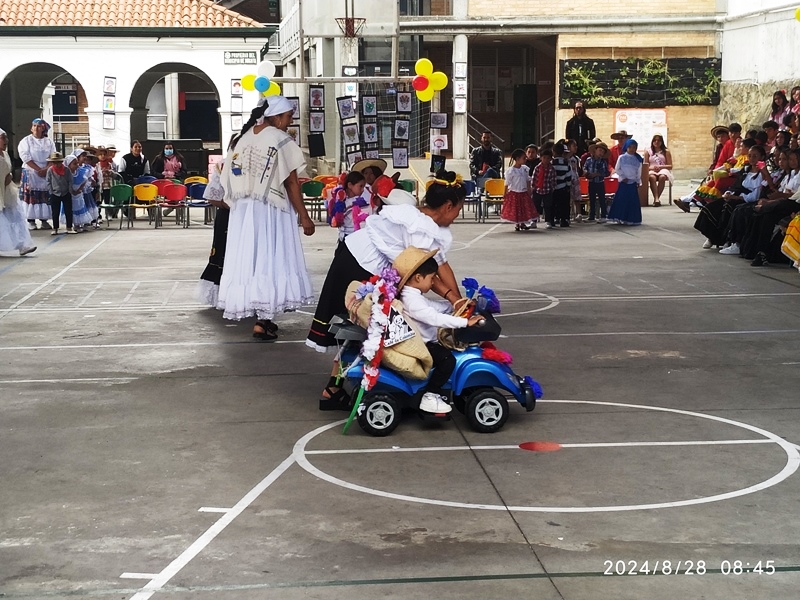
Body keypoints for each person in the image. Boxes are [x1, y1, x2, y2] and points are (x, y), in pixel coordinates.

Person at [307, 170, 466, 411]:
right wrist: (455, 301)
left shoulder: (420, 220)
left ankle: (335, 386)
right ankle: (337, 387)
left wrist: (458, 300)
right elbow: (425, 274)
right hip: (359, 266)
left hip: (357, 260)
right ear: (447, 205)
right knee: (357, 329)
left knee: (361, 329)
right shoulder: (419, 227)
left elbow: (441, 267)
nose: (456, 217)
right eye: (458, 209)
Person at [215, 96, 315, 340]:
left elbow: (226, 175)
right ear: (277, 116)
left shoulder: (242, 138)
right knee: (271, 258)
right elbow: (291, 182)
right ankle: (263, 318)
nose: (290, 122)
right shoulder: (280, 140)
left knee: (250, 259)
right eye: (289, 117)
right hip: (271, 209)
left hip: (244, 212)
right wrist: (304, 215)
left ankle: (261, 316)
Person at [393, 247, 483, 414]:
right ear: (419, 277)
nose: (434, 282)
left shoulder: (413, 295)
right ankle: (431, 394)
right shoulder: (412, 301)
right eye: (431, 277)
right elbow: (434, 318)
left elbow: (433, 308)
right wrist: (465, 322)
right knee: (447, 360)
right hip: (425, 344)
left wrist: (455, 305)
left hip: (427, 339)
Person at [699, 145, 770, 251]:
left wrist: (736, 197)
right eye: (750, 156)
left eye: (755, 156)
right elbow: (736, 185)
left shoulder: (763, 174)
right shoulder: (746, 169)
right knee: (713, 206)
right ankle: (712, 236)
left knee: (728, 207)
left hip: (747, 199)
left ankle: (728, 239)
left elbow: (756, 195)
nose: (752, 159)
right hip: (736, 195)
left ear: (762, 157)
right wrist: (729, 193)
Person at [0, 128, 37, 256]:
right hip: (0, 191)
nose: (6, 141)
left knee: (16, 216)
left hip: (8, 192)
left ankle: (23, 245)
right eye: (3, 137)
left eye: (6, 137)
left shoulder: (5, 155)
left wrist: (8, 177)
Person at [18, 118, 57, 230]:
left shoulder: (49, 142)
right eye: (34, 125)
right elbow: (25, 156)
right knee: (31, 196)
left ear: (43, 129)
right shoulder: (26, 141)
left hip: (45, 171)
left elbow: (53, 156)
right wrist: (37, 169)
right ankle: (31, 220)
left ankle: (44, 220)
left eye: (39, 126)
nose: (36, 128)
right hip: (30, 171)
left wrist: (46, 169)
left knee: (44, 196)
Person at [607, 139, 643, 226]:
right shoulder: (622, 158)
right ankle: (620, 217)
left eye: (634, 147)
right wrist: (623, 177)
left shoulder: (638, 159)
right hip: (623, 182)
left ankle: (631, 218)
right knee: (621, 200)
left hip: (632, 182)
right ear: (626, 147)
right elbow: (617, 168)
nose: (632, 149)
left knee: (632, 202)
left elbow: (639, 171)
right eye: (630, 147)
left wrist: (638, 180)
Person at [327, 171, 368, 242]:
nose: (362, 190)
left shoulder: (361, 201)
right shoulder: (341, 202)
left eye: (363, 186)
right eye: (360, 186)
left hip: (356, 236)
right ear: (350, 185)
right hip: (347, 236)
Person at [500, 148, 536, 230]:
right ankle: (517, 224)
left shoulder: (525, 169)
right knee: (516, 209)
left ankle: (522, 223)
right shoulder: (511, 171)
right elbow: (507, 183)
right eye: (523, 158)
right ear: (517, 159)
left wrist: (529, 190)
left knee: (523, 209)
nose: (525, 159)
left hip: (523, 192)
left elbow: (527, 180)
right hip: (514, 192)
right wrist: (504, 193)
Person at [45, 152, 73, 236]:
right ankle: (55, 228)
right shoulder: (50, 170)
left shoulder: (67, 170)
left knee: (68, 210)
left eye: (58, 162)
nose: (56, 164)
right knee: (55, 212)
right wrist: (51, 191)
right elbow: (48, 181)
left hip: (65, 192)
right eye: (54, 162)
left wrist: (69, 190)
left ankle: (69, 227)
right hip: (55, 193)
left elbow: (70, 181)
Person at [583, 141, 610, 222]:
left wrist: (597, 174)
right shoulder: (588, 160)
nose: (601, 153)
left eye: (603, 152)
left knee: (602, 199)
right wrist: (586, 173)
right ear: (595, 150)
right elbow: (584, 168)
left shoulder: (603, 162)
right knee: (592, 200)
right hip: (591, 182)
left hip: (600, 183)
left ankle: (603, 216)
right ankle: (591, 215)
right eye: (600, 150)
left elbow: (605, 172)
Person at [643, 134, 673, 207]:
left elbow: (670, 166)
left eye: (659, 140)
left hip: (663, 169)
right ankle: (656, 199)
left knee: (662, 177)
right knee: (652, 177)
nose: (656, 142)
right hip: (652, 170)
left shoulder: (666, 152)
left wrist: (660, 167)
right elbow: (645, 165)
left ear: (662, 142)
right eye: (655, 140)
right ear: (652, 141)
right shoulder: (648, 152)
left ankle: (656, 199)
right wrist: (653, 168)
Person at [551, 140, 573, 228]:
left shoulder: (551, 163)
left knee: (553, 204)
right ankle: (564, 220)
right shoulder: (566, 163)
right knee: (564, 204)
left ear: (553, 152)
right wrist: (568, 185)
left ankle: (552, 219)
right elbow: (568, 175)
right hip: (563, 187)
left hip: (553, 188)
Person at [532, 149, 556, 228]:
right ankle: (534, 221)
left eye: (548, 158)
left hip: (547, 190)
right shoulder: (537, 168)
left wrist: (552, 188)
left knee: (548, 206)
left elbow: (553, 179)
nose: (546, 160)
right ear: (541, 158)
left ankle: (548, 221)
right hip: (538, 190)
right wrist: (533, 188)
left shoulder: (551, 168)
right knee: (536, 206)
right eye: (544, 157)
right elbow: (534, 178)